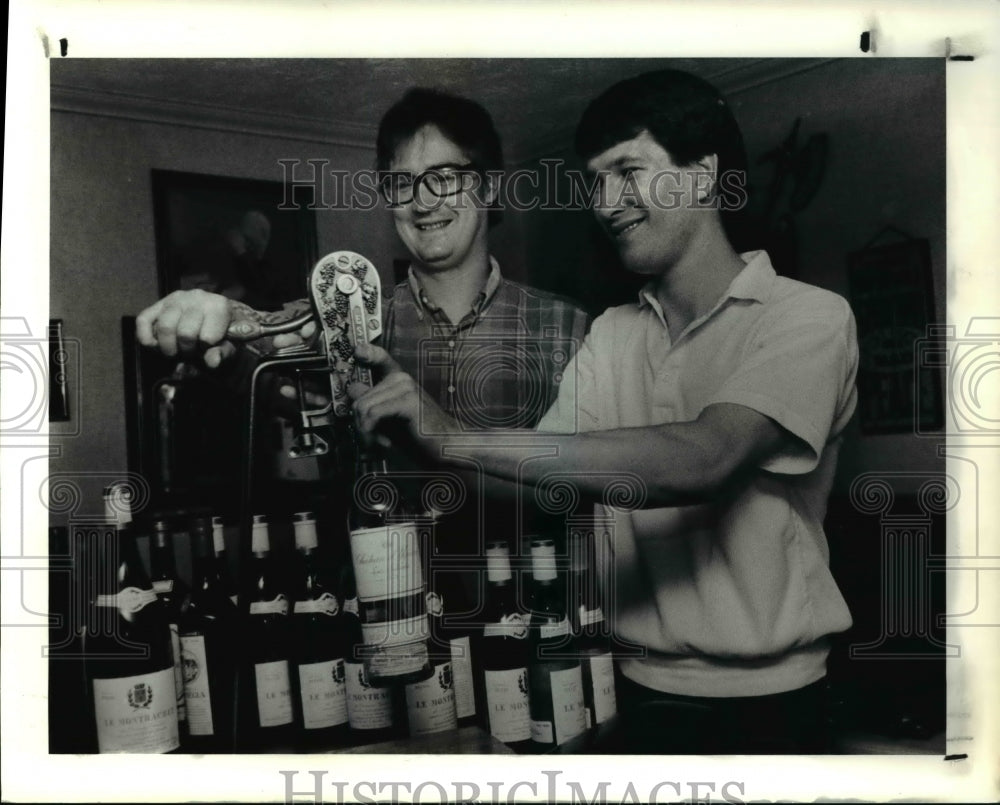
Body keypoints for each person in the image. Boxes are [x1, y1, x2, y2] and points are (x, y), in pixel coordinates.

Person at [349, 69, 859, 754]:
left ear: (703, 175)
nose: (607, 202)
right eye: (595, 181)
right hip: (634, 692)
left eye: (627, 171)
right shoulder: (614, 333)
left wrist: (450, 434)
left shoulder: (808, 317)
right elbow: (530, 481)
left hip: (773, 705)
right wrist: (418, 432)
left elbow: (703, 458)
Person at [135, 86, 590, 605]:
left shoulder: (567, 328)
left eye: (443, 177)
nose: (422, 202)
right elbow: (261, 345)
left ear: (488, 187)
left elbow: (587, 486)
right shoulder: (346, 322)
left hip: (535, 619)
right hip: (390, 620)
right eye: (401, 183)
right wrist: (211, 314)